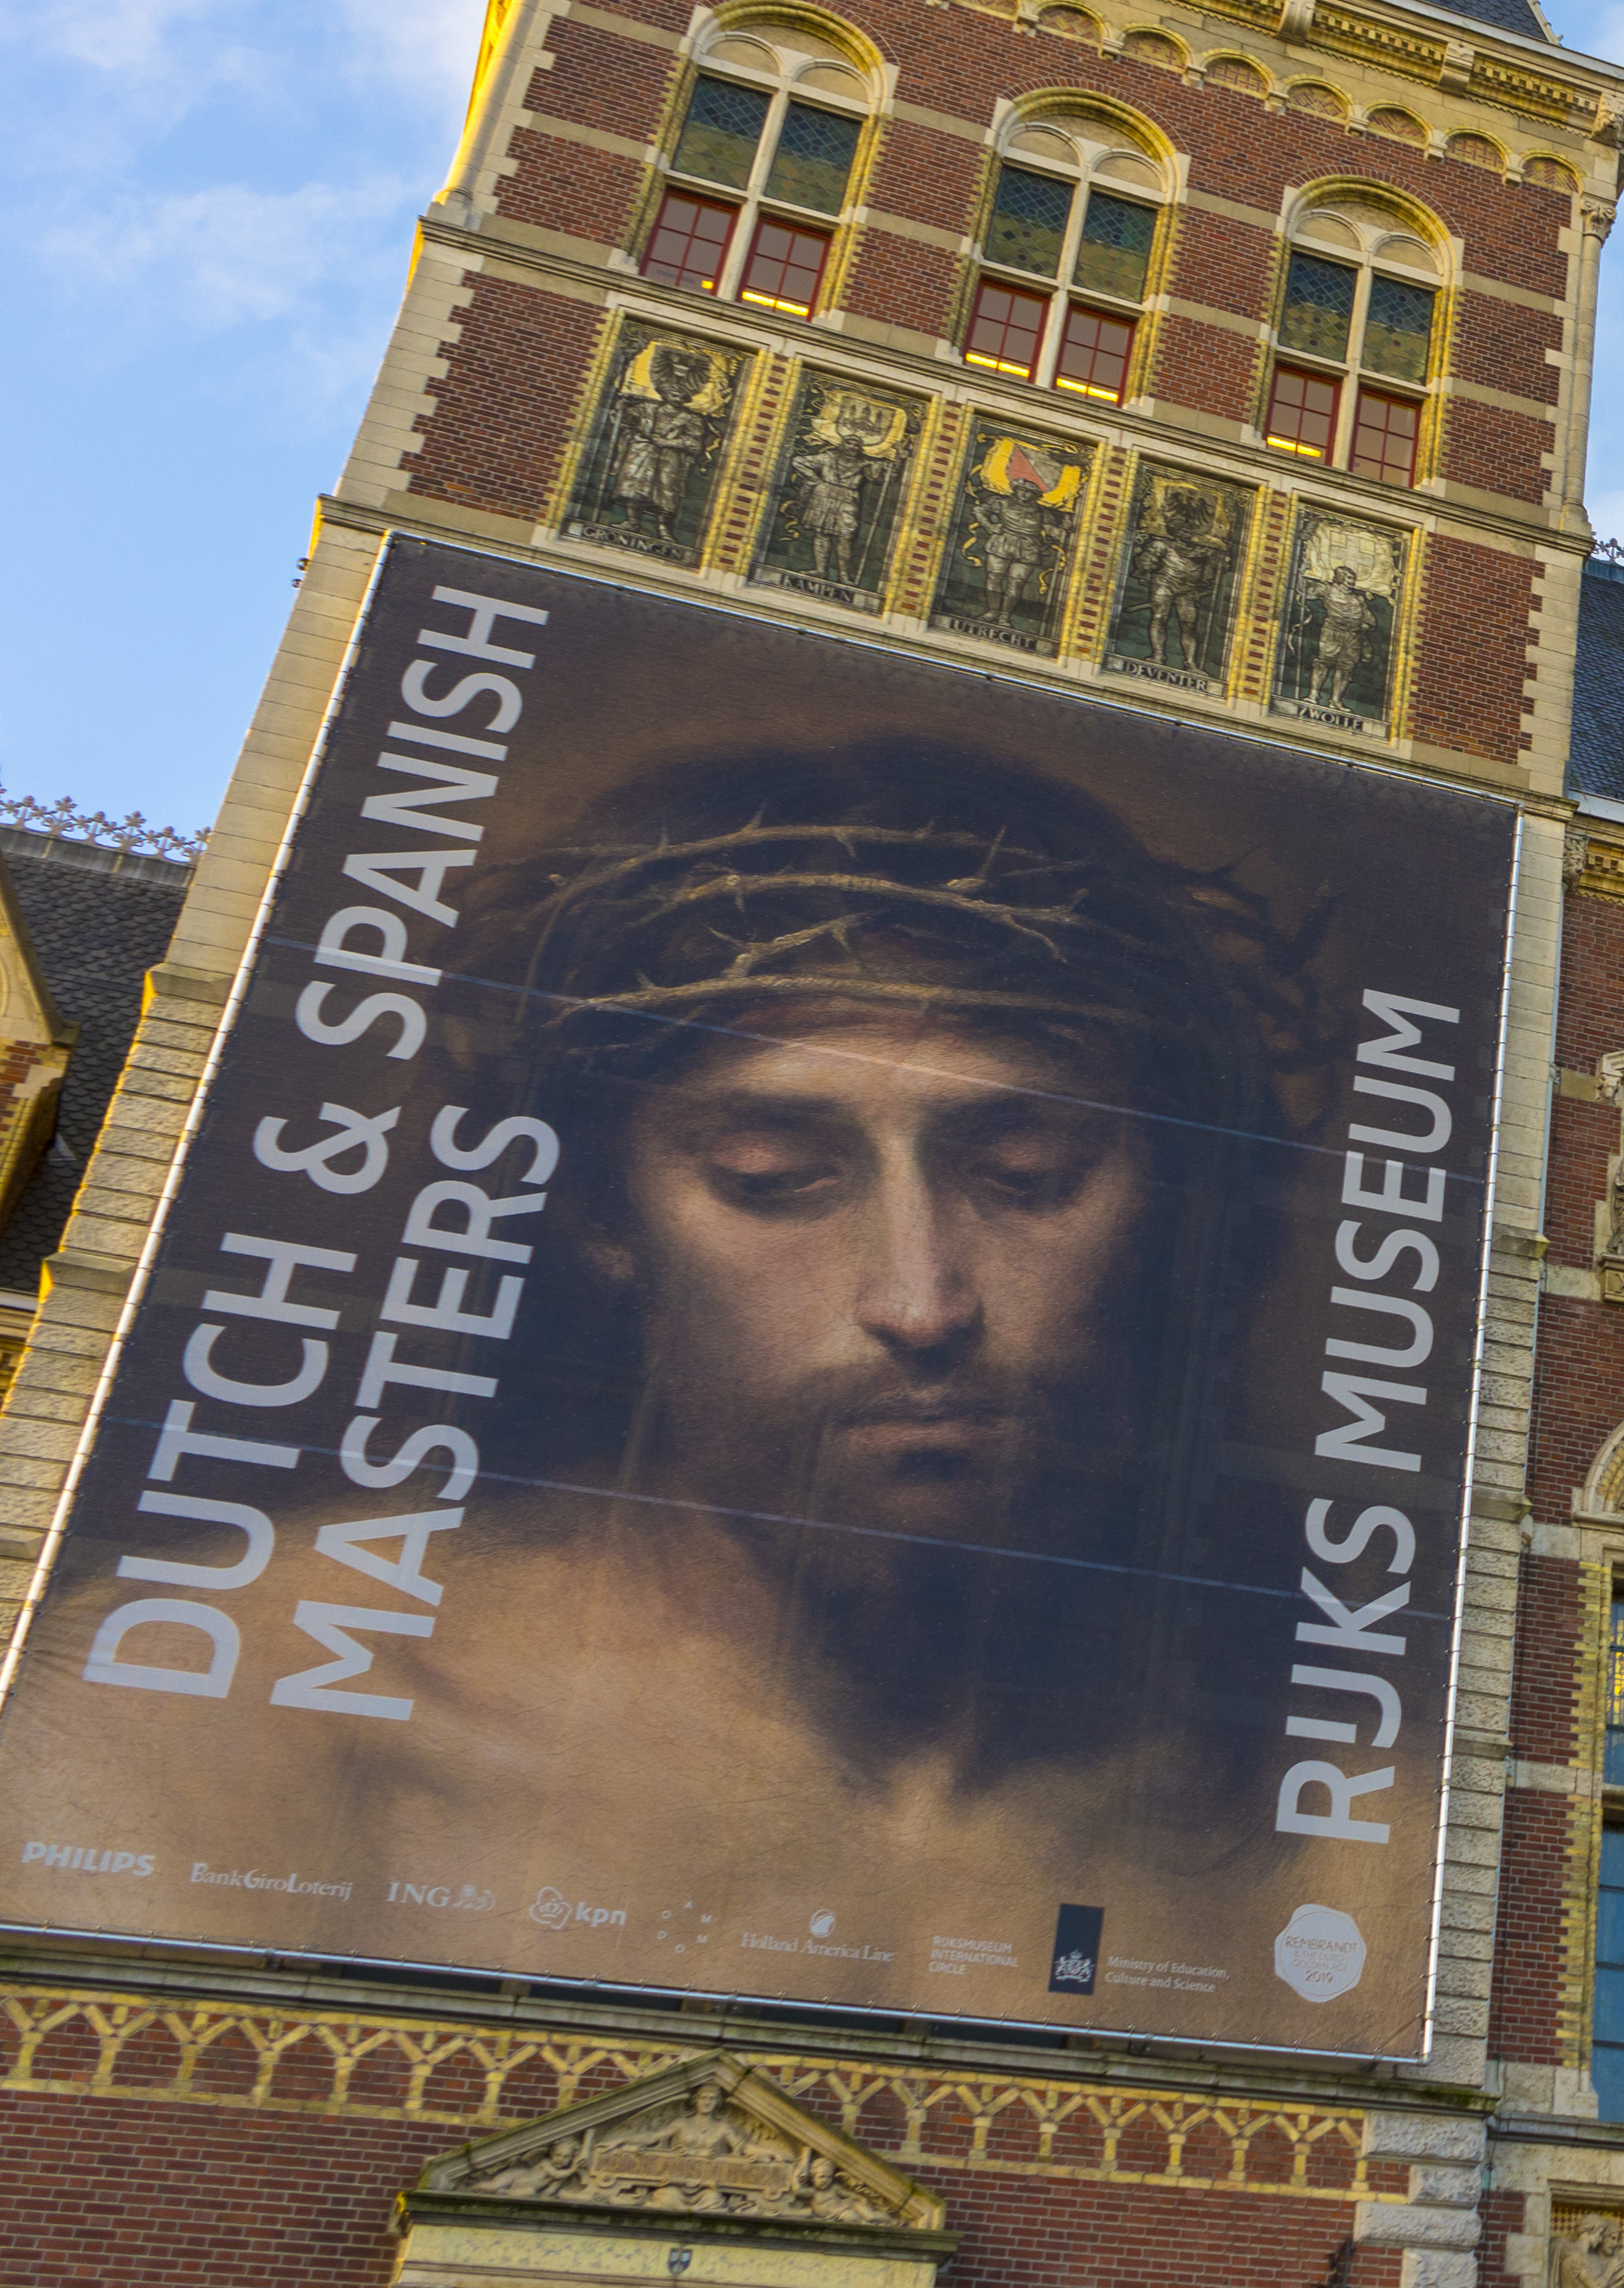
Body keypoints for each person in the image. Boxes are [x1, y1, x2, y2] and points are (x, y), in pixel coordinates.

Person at [17, 737, 1403, 2018]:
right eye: (774, 1181)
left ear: (1169, 1201)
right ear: (605, 1216)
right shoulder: (195, 1735)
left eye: (1025, 1176)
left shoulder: (1353, 1827)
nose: (919, 1301)